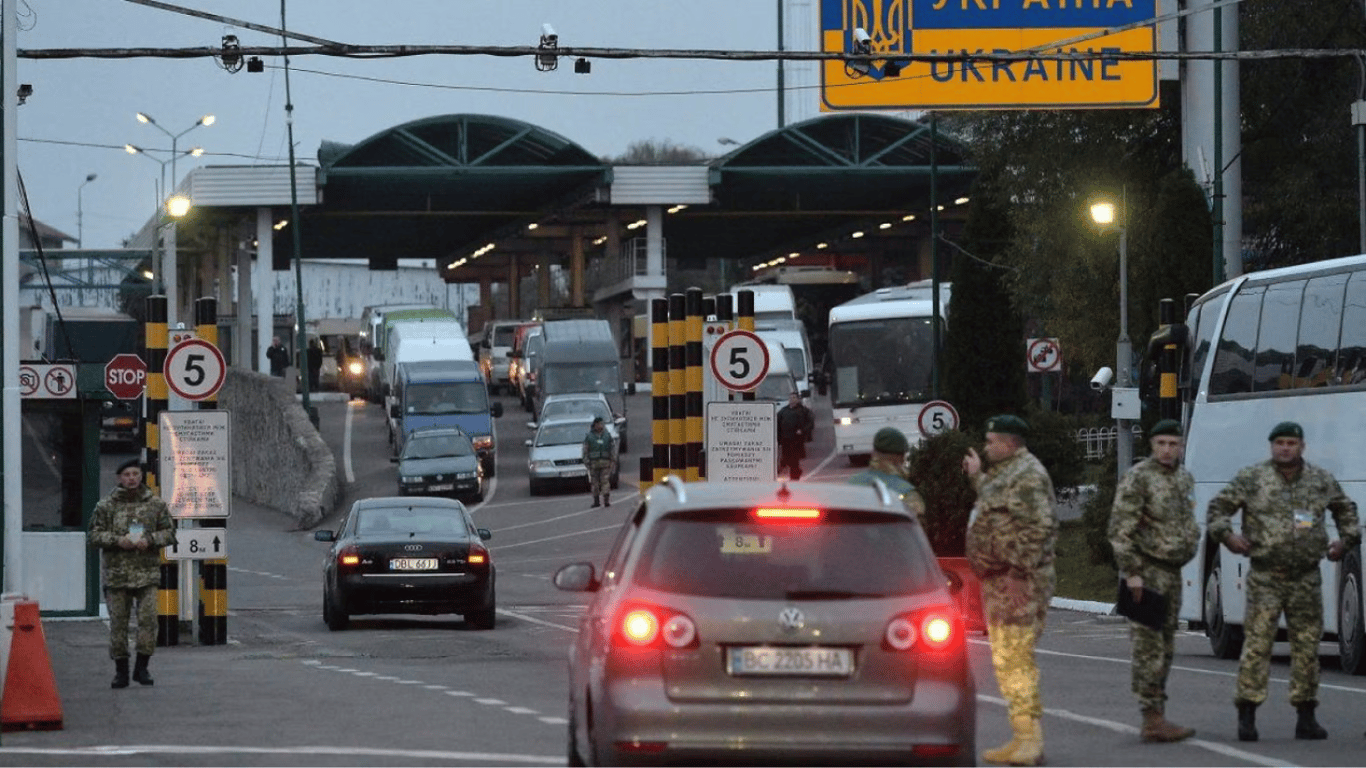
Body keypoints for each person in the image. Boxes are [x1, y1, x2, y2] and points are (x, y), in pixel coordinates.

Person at [1206, 421, 1359, 742]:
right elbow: (1218, 508)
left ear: (1302, 446)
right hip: (1265, 577)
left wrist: (1345, 541)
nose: (1285, 448)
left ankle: (1306, 715)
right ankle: (1247, 713)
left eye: (1291, 442)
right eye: (1279, 443)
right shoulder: (1253, 478)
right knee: (1258, 645)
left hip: (1305, 578)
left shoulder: (1319, 480)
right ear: (1271, 446)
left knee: (1306, 648)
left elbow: (1345, 509)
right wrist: (1228, 537)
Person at [962, 415, 1057, 767]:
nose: (987, 448)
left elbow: (1038, 527)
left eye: (991, 442)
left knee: (1016, 658)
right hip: (999, 581)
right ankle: (1022, 736)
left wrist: (1018, 573)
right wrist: (977, 476)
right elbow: (997, 503)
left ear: (1009, 443)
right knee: (1006, 659)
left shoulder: (1028, 475)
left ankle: (1030, 740)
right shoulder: (1008, 473)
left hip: (1018, 582)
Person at [1107, 419, 1201, 743]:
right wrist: (1132, 572)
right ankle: (1151, 716)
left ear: (1181, 447)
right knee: (1149, 648)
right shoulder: (1139, 479)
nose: (1166, 449)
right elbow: (1120, 529)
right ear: (1151, 445)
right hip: (1146, 573)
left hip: (1171, 574)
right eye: (1160, 443)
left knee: (1167, 646)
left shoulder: (1183, 478)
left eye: (1172, 444)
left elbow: (1187, 521)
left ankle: (1159, 711)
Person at [86, 458, 176, 689]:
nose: (132, 478)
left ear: (141, 477)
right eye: (127, 474)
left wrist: (151, 540)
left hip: (147, 574)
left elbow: (169, 532)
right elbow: (93, 536)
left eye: (135, 474)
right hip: (117, 575)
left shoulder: (155, 504)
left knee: (148, 621)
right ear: (119, 478)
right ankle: (121, 671)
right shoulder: (106, 506)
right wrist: (118, 541)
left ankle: (142, 668)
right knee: (118, 624)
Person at [846, 426, 924, 518]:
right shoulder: (906, 492)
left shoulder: (852, 483)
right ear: (899, 457)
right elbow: (914, 525)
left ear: (874, 452)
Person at [775, 391, 814, 480]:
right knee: (786, 458)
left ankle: (795, 476)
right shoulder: (783, 411)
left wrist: (802, 430)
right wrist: (778, 437)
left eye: (794, 398)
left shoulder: (803, 410)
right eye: (790, 398)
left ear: (798, 399)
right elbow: (777, 423)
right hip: (785, 439)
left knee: (794, 459)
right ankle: (794, 471)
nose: (792, 400)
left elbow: (810, 423)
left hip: (797, 439)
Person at [582, 416, 617, 508]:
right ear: (595, 425)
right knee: (595, 483)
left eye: (601, 424)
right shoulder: (589, 437)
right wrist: (587, 462)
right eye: (598, 424)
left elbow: (612, 448)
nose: (600, 426)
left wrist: (613, 460)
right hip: (593, 464)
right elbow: (585, 451)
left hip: (605, 463)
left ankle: (606, 500)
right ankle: (596, 501)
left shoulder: (607, 436)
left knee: (605, 481)